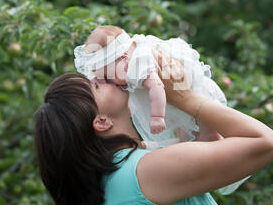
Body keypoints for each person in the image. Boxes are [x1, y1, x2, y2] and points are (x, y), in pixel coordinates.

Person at [33, 50, 273, 205]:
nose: (106, 77)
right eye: (97, 85)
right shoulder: (148, 170)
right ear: (101, 121)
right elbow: (267, 142)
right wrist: (188, 100)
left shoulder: (110, 179)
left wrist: (186, 85)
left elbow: (207, 144)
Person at [74, 25, 227, 149]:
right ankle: (188, 140)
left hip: (186, 82)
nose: (109, 82)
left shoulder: (138, 64)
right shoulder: (124, 62)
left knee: (203, 120)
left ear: (123, 58)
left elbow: (157, 86)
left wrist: (157, 117)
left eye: (108, 77)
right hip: (175, 90)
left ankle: (212, 136)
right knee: (186, 127)